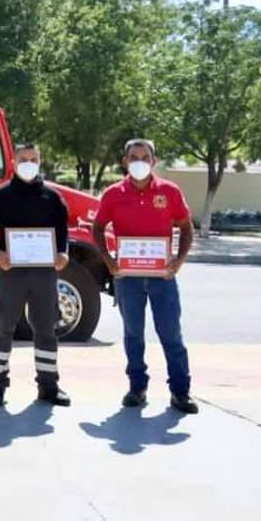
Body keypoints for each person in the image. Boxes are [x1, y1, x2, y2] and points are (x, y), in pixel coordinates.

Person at [92, 139, 198, 414]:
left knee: (171, 333)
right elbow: (98, 228)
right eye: (134, 156)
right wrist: (108, 260)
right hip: (127, 277)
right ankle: (137, 388)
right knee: (133, 334)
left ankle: (180, 392)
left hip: (163, 277)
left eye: (145, 156)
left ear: (154, 160)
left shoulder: (169, 192)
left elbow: (187, 228)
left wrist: (178, 260)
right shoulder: (113, 194)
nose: (139, 161)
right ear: (125, 161)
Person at [0, 143, 71, 408]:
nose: (28, 163)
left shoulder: (53, 197)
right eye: (23, 159)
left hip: (44, 274)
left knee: (45, 329)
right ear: (13, 162)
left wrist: (63, 252)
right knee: (4, 328)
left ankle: (48, 385)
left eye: (33, 159)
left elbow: (63, 231)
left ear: (40, 161)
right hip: (11, 272)